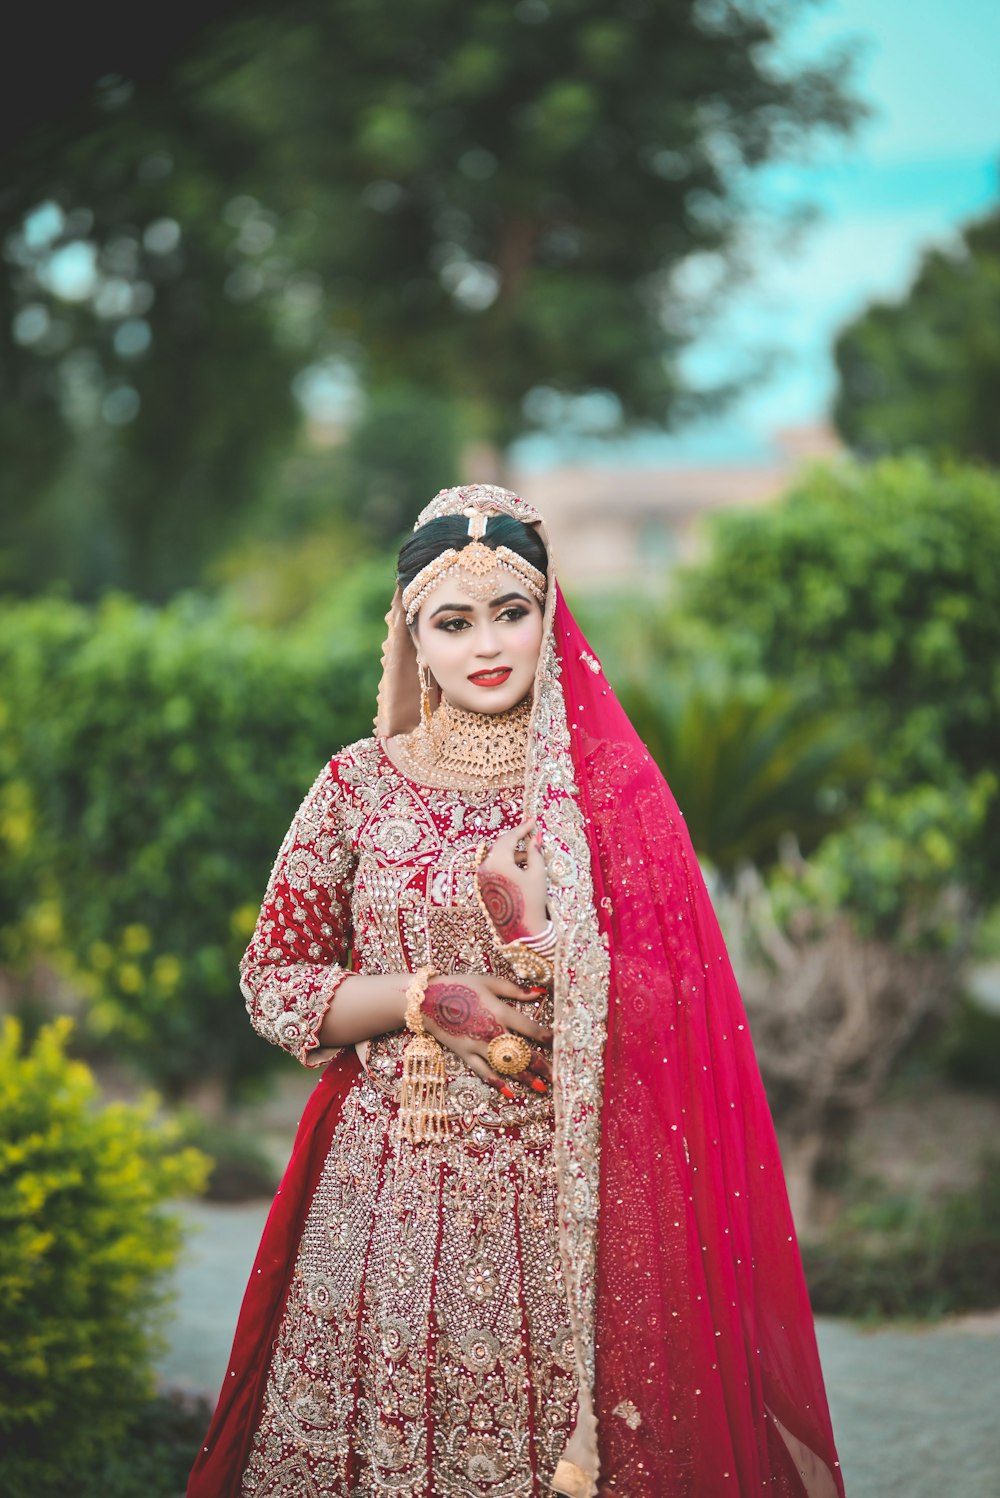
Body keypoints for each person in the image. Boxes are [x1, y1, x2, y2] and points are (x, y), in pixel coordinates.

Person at [187, 483, 847, 1498]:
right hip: (380, 1200)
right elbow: (276, 981)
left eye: (513, 612)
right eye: (453, 621)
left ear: (549, 617)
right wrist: (424, 995)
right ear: (413, 635)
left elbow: (685, 1008)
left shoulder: (606, 797)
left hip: (561, 1204)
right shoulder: (356, 784)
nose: (486, 643)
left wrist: (541, 940)